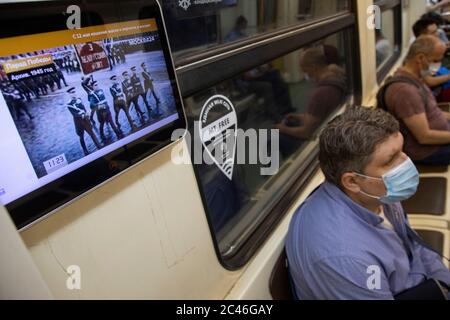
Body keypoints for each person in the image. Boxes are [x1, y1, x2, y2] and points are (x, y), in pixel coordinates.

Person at [286, 107, 450, 300]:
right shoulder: (344, 257)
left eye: (401, 150)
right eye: (391, 159)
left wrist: (443, 281)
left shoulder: (376, 192)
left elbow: (412, 245)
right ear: (353, 181)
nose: (406, 162)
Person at [379, 35, 450, 166]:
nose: (438, 65)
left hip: (441, 136)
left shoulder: (415, 79)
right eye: (435, 60)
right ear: (421, 58)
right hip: (429, 151)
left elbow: (433, 112)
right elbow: (424, 136)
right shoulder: (405, 91)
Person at [275, 47, 347, 141]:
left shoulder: (320, 94)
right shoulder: (336, 79)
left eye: (305, 70)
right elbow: (318, 116)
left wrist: (282, 128)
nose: (305, 74)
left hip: (322, 138)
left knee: (277, 139)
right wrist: (300, 117)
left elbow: (306, 133)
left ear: (313, 67)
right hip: (333, 128)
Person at [66, 87, 101, 155]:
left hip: (85, 120)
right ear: (69, 94)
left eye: (74, 92)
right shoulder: (69, 104)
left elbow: (83, 108)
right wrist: (82, 115)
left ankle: (99, 146)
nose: (74, 94)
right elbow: (74, 114)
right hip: (78, 122)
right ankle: (85, 150)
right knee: (81, 136)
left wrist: (86, 113)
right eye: (72, 93)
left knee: (92, 133)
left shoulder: (79, 100)